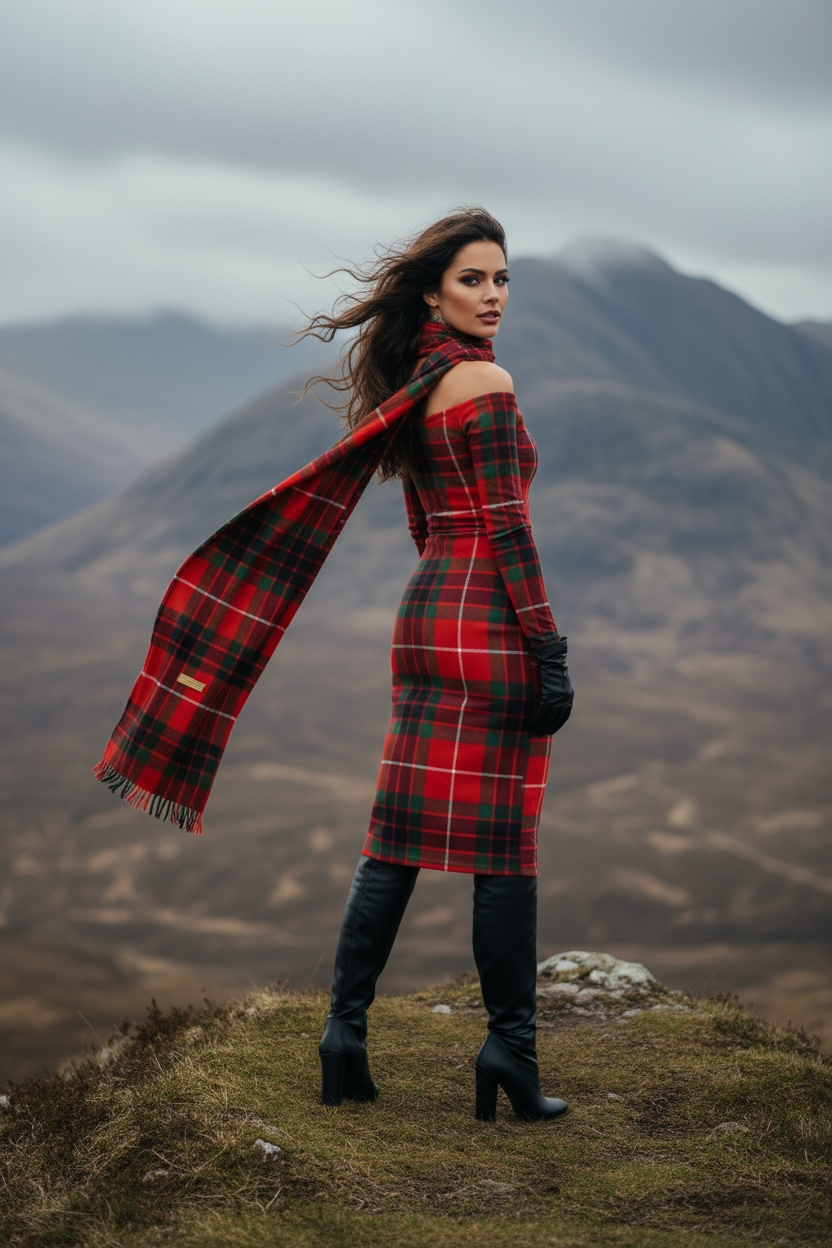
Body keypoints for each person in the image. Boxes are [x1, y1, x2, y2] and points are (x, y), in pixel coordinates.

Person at [306, 208, 574, 1121]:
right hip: (488, 617)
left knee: (398, 832)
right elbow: (508, 523)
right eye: (475, 280)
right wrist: (547, 644)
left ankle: (344, 1031)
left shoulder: (422, 379)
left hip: (426, 610)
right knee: (504, 843)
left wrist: (445, 580)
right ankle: (512, 1052)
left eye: (502, 280)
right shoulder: (486, 381)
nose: (493, 296)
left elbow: (427, 516)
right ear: (434, 291)